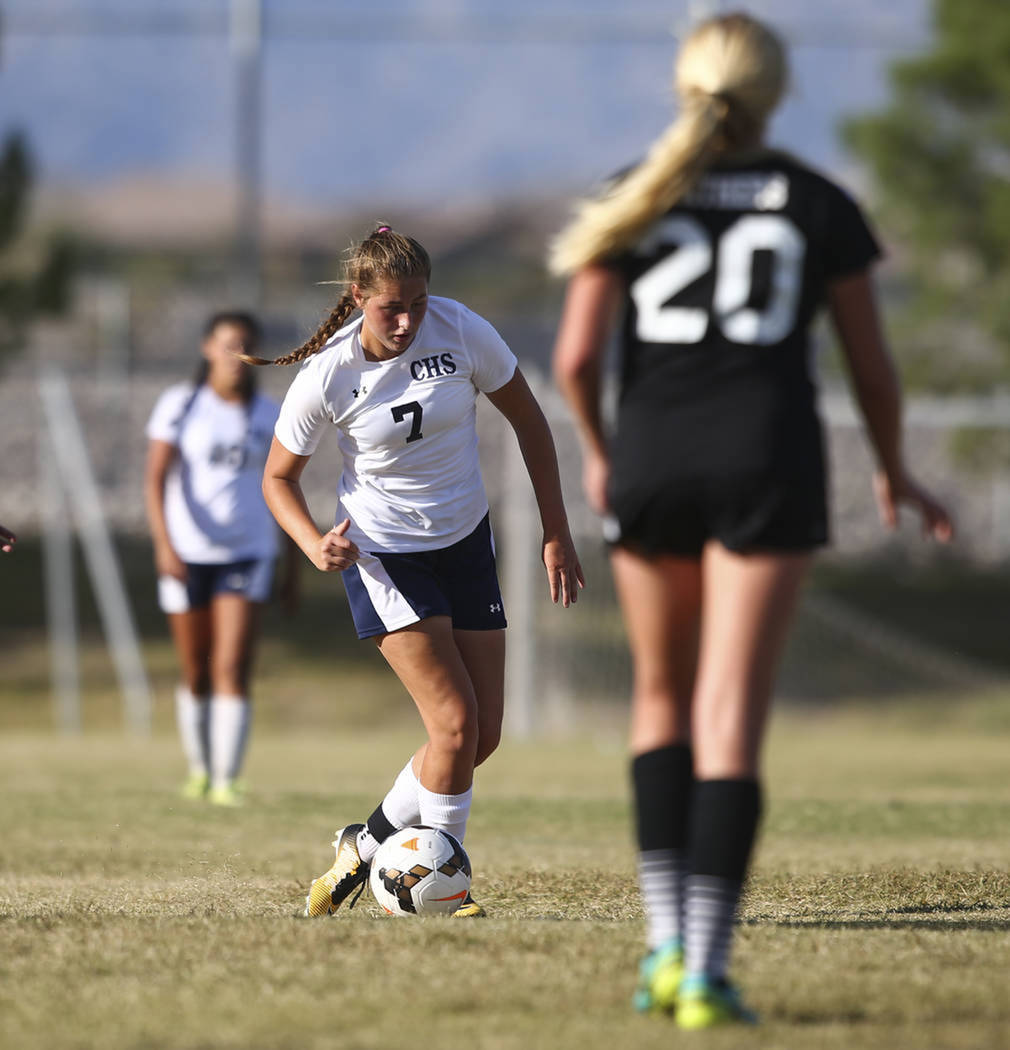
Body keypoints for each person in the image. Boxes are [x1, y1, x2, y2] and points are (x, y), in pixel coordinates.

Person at [549, 12, 952, 1029]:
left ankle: (658, 949)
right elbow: (869, 366)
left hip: (651, 458)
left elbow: (571, 361)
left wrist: (602, 457)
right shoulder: (817, 203)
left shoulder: (631, 190)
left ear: (685, 83)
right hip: (765, 460)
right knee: (727, 714)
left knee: (658, 700)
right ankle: (706, 969)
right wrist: (896, 470)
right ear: (776, 92)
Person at [251, 224, 582, 919]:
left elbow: (530, 421)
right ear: (358, 298)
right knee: (455, 725)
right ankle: (448, 885)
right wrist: (313, 542)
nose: (406, 321)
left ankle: (365, 844)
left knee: (476, 737)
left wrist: (556, 529)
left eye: (419, 303)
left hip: (465, 543)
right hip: (384, 553)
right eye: (390, 307)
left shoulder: (461, 330)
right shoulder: (329, 375)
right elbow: (278, 479)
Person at [145, 311, 295, 807]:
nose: (237, 355)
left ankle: (228, 780)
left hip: (247, 552)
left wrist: (293, 563)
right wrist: (166, 544)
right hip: (187, 554)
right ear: (208, 347)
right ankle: (200, 771)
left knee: (231, 663)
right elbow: (156, 478)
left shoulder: (268, 413)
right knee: (195, 668)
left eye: (246, 345)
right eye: (228, 344)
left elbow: (285, 485)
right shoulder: (182, 405)